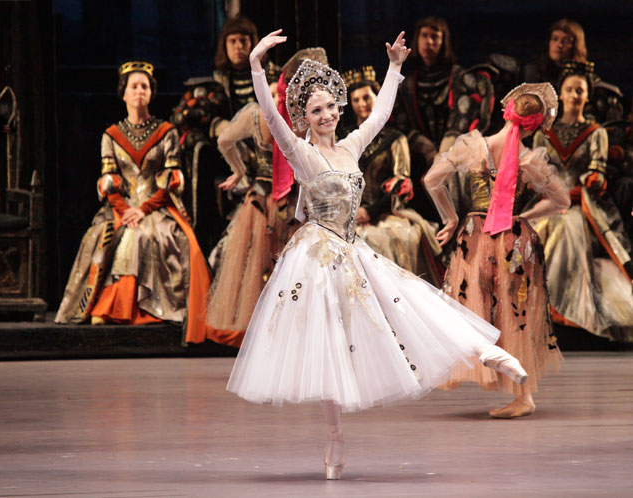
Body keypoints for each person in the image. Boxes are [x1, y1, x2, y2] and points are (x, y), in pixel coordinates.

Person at [227, 29, 529, 480]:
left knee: (410, 303)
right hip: (317, 258)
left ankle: (485, 350)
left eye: (331, 106)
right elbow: (272, 120)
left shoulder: (350, 147)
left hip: (352, 249)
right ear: (304, 118)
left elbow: (382, 115)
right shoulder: (303, 155)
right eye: (316, 110)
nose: (327, 114)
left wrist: (393, 69)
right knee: (327, 345)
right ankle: (334, 436)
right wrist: (255, 67)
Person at [424, 83, 570, 418]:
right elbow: (561, 200)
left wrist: (450, 217)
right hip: (512, 240)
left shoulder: (473, 147)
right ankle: (522, 393)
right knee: (513, 313)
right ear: (533, 123)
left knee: (480, 308)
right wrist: (526, 216)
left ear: (507, 111)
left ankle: (522, 395)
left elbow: (433, 180)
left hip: (476, 238)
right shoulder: (527, 160)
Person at [55, 61, 218, 345]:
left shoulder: (166, 131)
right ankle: (106, 306)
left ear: (151, 93)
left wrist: (143, 209)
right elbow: (109, 179)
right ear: (124, 93)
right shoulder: (111, 135)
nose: (139, 91)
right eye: (134, 86)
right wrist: (125, 210)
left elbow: (171, 178)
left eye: (145, 86)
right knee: (104, 235)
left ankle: (143, 307)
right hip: (123, 205)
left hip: (157, 204)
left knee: (155, 236)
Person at [533, 62, 633, 343]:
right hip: (549, 203)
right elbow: (534, 173)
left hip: (583, 209)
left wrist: (592, 183)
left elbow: (598, 174)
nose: (575, 95)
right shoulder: (543, 132)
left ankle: (563, 311)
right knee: (534, 229)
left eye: (580, 90)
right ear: (560, 95)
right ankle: (535, 309)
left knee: (568, 227)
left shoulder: (596, 133)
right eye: (570, 90)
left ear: (587, 96)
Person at [206, 67, 298, 336]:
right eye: (268, 95)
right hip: (265, 198)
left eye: (276, 95)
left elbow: (225, 141)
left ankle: (283, 325)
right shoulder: (276, 116)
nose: (273, 101)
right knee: (258, 261)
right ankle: (263, 330)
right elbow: (223, 140)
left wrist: (239, 170)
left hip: (286, 198)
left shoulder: (278, 115)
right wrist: (240, 170)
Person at [342, 65, 443, 284]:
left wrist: (370, 210)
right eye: (357, 100)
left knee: (392, 239)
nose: (362, 104)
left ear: (377, 98)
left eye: (367, 98)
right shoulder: (345, 138)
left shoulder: (395, 139)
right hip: (348, 213)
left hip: (387, 212)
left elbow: (400, 184)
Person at [392, 16, 495, 220]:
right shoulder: (407, 82)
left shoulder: (459, 77)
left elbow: (462, 118)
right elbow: (400, 125)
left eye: (435, 37)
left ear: (443, 42)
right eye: (424, 36)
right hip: (420, 156)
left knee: (456, 175)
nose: (429, 42)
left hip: (457, 152)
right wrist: (428, 150)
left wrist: (443, 155)